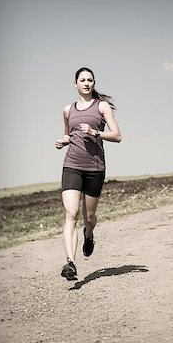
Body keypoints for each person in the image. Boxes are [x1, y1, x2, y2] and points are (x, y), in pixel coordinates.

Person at [55, 67, 122, 281]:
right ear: (75, 84)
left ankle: (89, 234)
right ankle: (71, 263)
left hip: (95, 168)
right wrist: (63, 140)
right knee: (71, 213)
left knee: (89, 217)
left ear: (93, 83)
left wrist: (96, 132)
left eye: (90, 80)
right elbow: (68, 134)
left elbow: (118, 135)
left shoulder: (101, 106)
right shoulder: (68, 110)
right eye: (82, 80)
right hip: (72, 165)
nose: (86, 83)